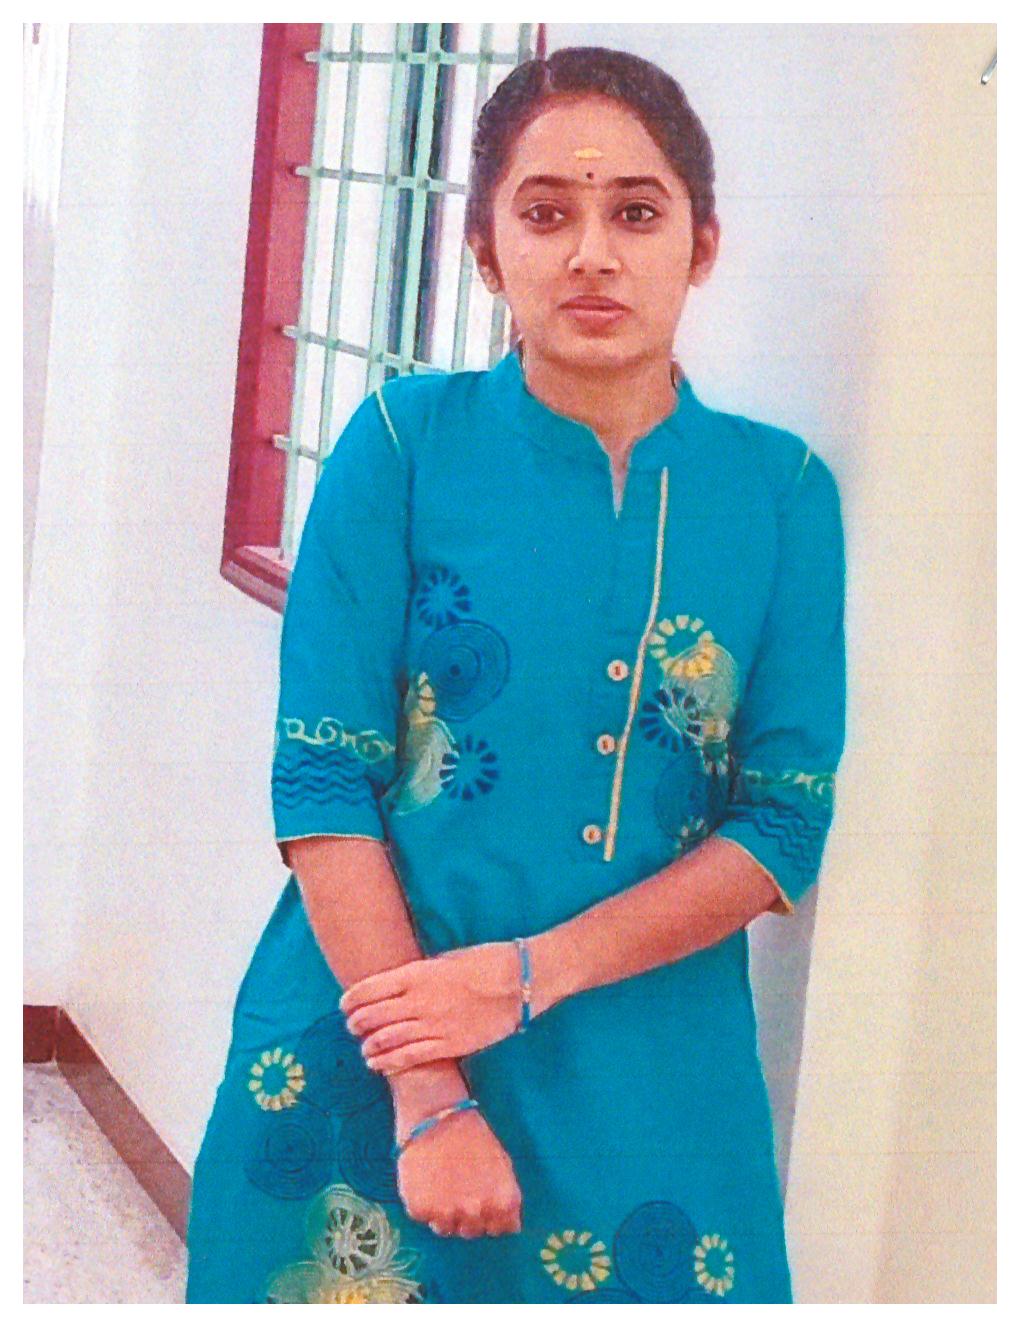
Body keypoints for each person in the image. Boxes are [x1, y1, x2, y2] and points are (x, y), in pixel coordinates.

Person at [185, 45, 846, 1304]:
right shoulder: (401, 445)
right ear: (487, 254)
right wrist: (429, 1094)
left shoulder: (781, 495)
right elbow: (321, 782)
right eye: (545, 214)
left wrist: (531, 976)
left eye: (636, 213)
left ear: (702, 245)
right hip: (380, 1033)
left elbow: (781, 823)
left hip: (649, 1064)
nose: (593, 254)